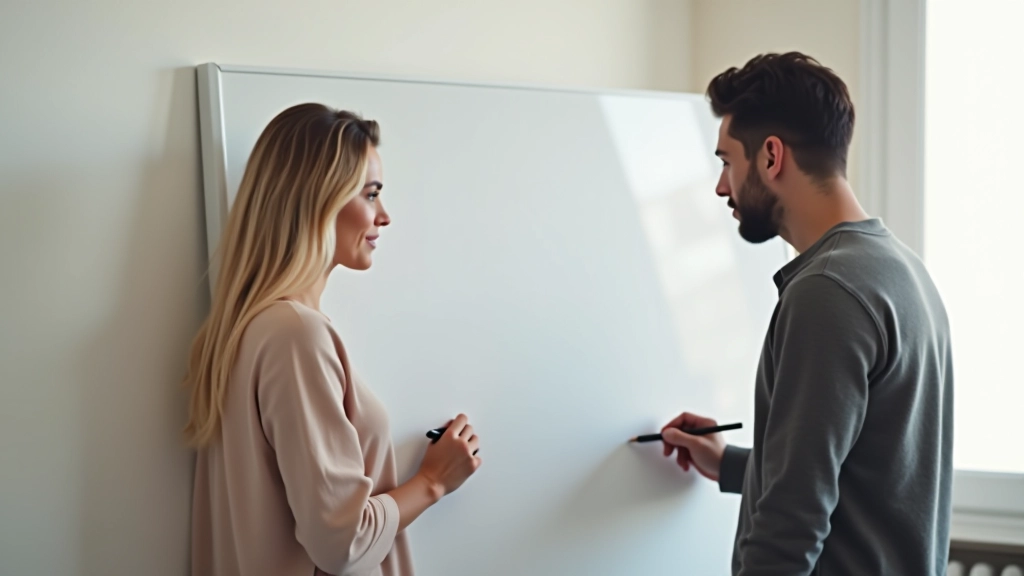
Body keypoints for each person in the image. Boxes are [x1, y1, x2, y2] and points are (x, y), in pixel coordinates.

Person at [660, 52, 953, 575]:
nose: (721, 187)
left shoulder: (826, 290)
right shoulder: (901, 271)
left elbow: (792, 520)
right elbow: (857, 474)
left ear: (771, 156)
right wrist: (726, 462)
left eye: (726, 161)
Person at [183, 103, 482, 576]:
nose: (383, 216)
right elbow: (342, 542)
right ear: (317, 199)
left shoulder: (245, 331)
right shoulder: (295, 335)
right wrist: (432, 481)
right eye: (371, 193)